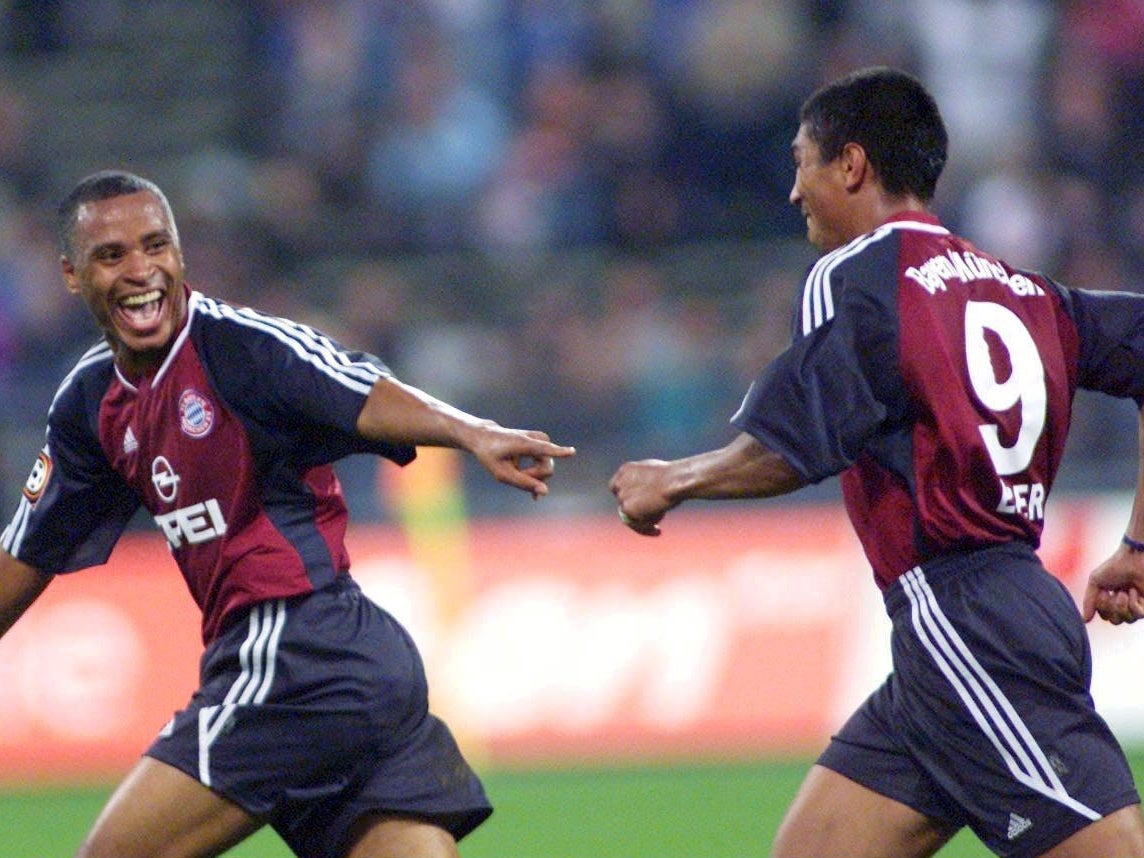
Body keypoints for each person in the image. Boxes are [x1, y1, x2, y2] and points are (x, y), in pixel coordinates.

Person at [609, 66, 1144, 858]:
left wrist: (674, 479)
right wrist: (1137, 544)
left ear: (851, 165)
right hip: (972, 626)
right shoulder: (1024, 292)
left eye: (802, 163)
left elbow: (796, 443)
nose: (794, 192)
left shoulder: (857, 274)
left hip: (966, 623)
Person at [0, 170, 575, 858]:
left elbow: (360, 386)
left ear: (181, 254)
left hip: (298, 648)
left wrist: (472, 431)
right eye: (112, 255)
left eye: (156, 245)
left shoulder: (241, 348)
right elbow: (26, 555)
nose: (141, 270)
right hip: (344, 673)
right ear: (71, 274)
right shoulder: (91, 403)